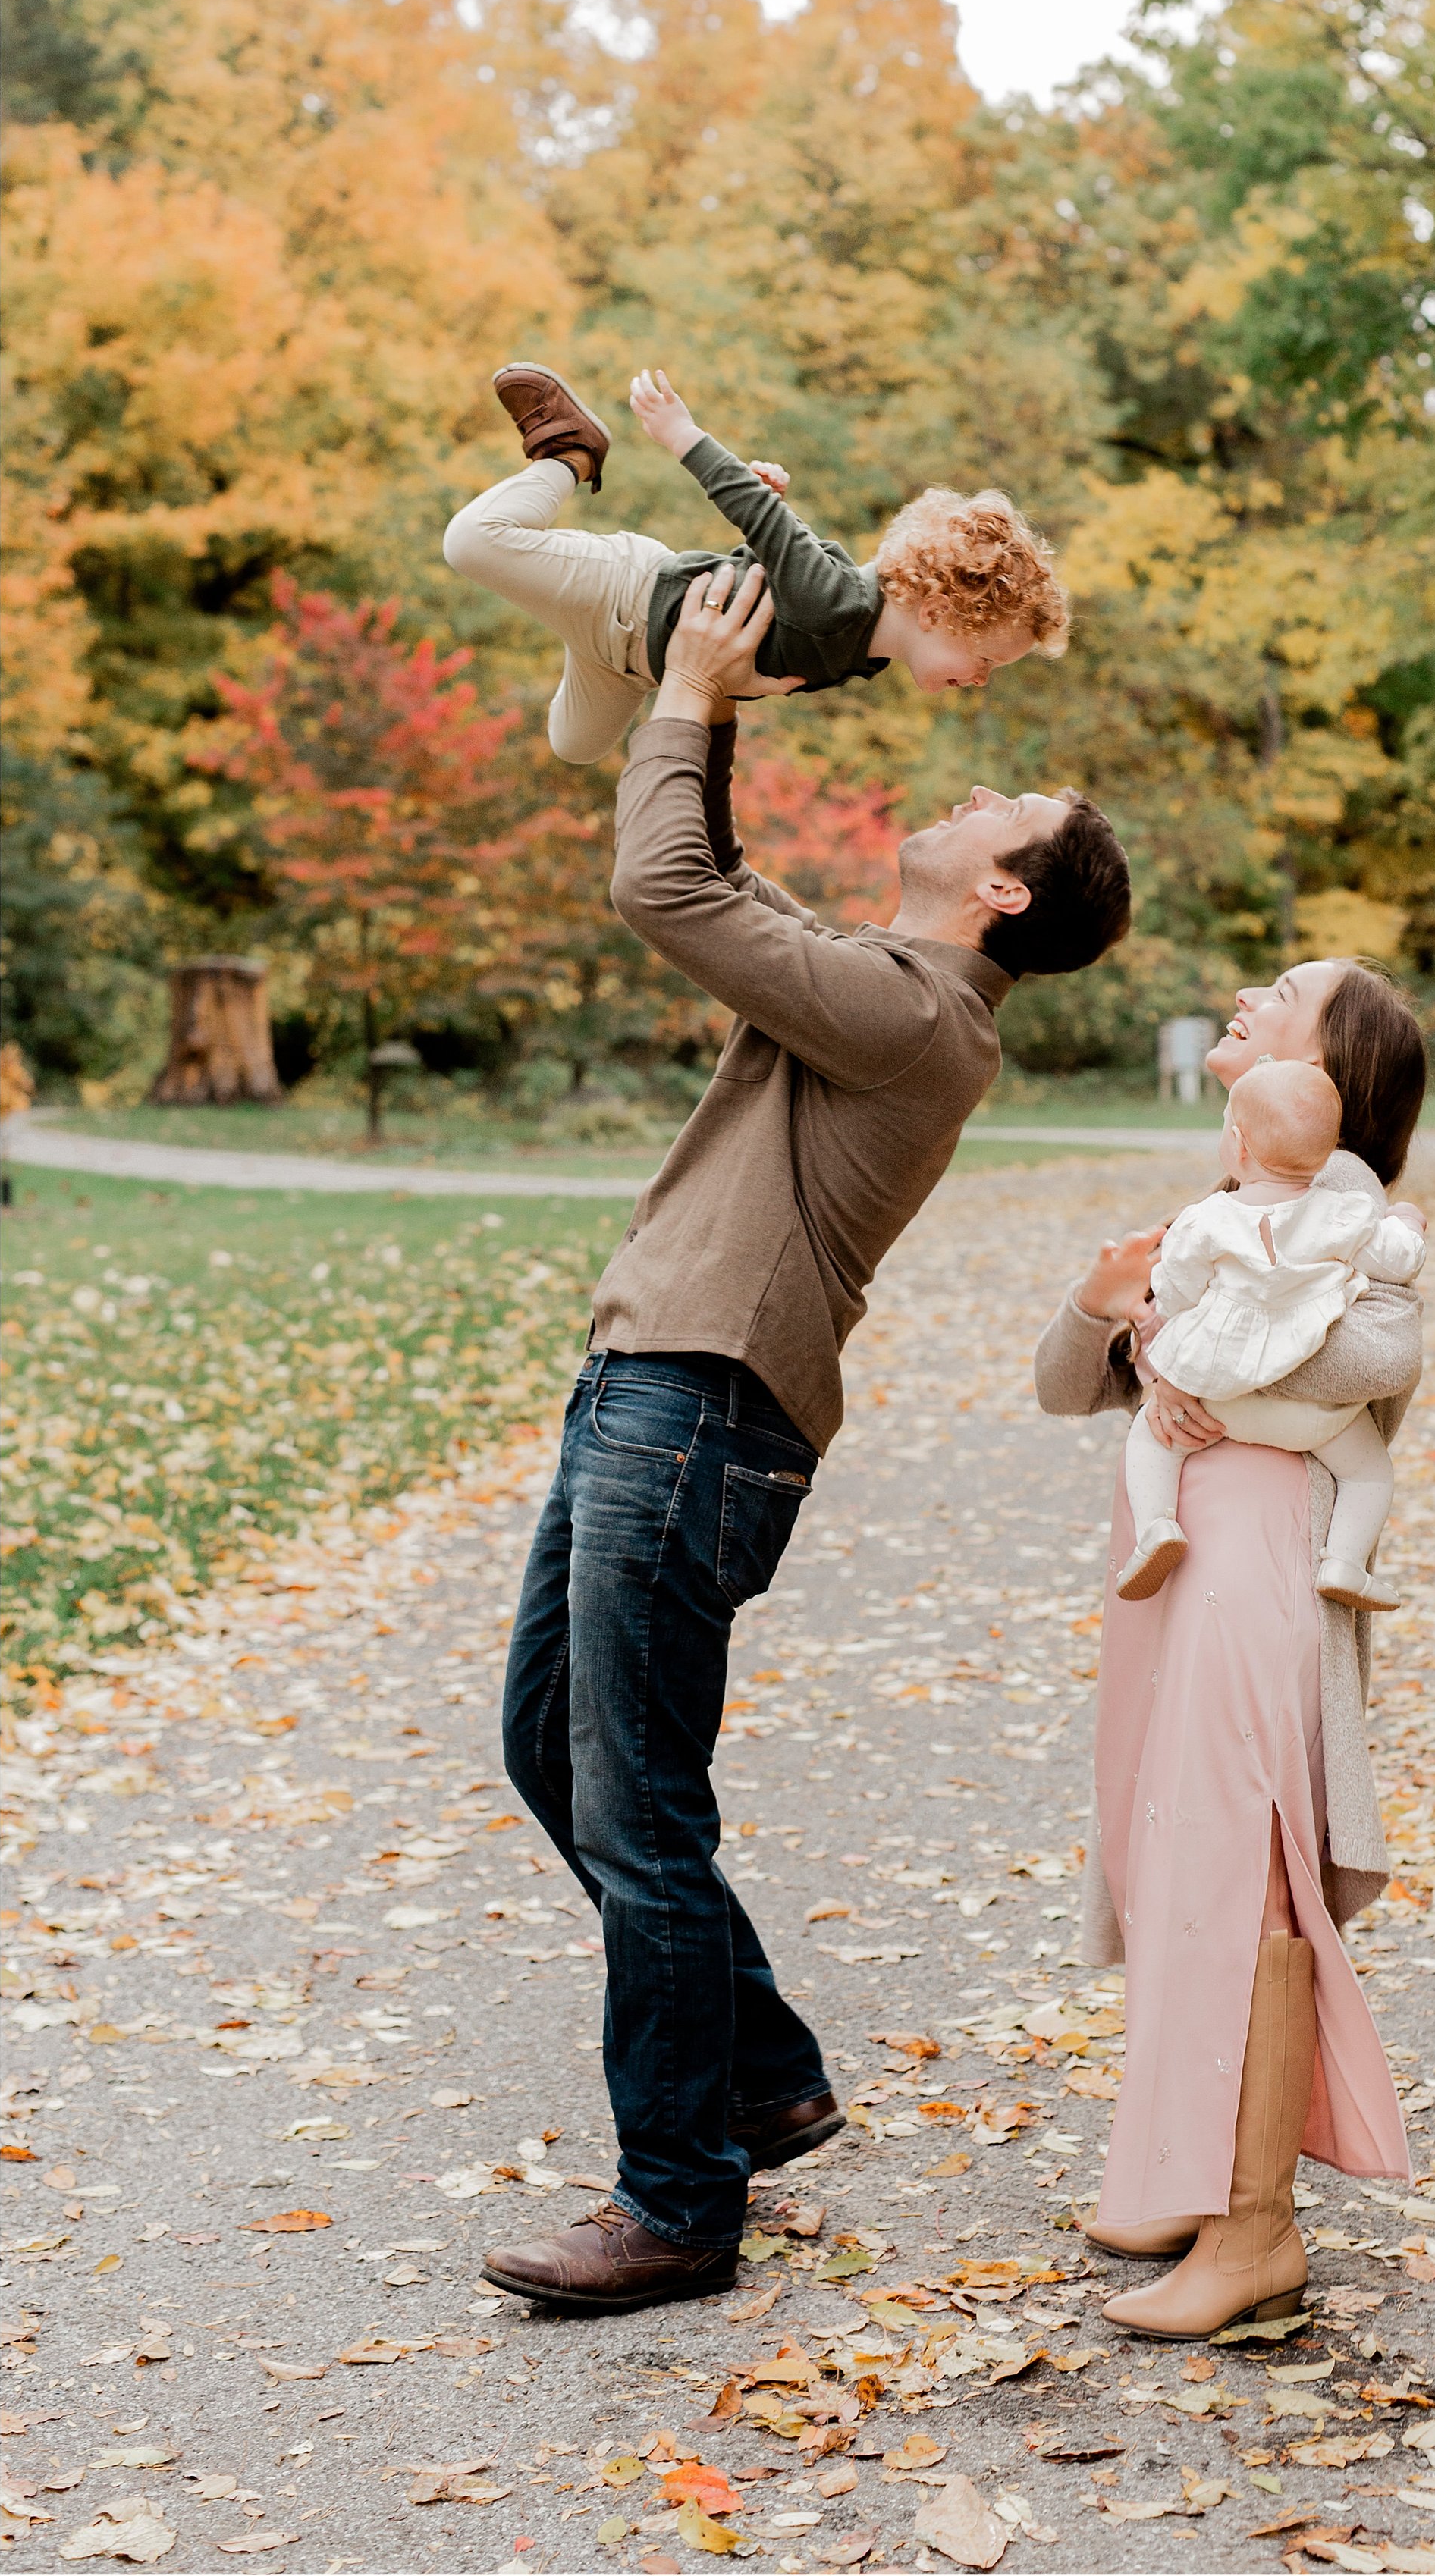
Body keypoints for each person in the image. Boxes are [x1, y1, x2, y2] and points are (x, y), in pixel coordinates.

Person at [480, 560, 1131, 2314]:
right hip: (652, 1390)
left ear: (1002, 888)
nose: (970, 785)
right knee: (554, 1748)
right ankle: (760, 2070)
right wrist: (703, 709)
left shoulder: (920, 1017)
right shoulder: (874, 982)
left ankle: (682, 2194)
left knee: (637, 1809)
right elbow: (726, 885)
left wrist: (689, 691)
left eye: (1004, 806)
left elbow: (663, 884)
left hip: (696, 1412)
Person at [1034, 959, 1427, 2337]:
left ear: (1335, 1076)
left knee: (1250, 1861)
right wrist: (1111, 1312)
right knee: (1170, 1853)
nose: (1251, 993)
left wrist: (1190, 1342)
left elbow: (1365, 1360)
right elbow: (1061, 1381)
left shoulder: (1352, 1241)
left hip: (1261, 1564)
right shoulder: (1211, 1220)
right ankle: (1184, 2168)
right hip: (1174, 1560)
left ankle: (1256, 2223)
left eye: (1288, 991)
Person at [442, 362, 1070, 764]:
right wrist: (684, 436)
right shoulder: (839, 604)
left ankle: (563, 617)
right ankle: (572, 452)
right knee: (471, 542)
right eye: (987, 660)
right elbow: (762, 526)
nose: (984, 679)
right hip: (625, 592)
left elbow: (765, 568)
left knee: (575, 746)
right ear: (934, 611)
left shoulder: (868, 649)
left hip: (632, 662)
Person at [1119, 1056, 1427, 1605]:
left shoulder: (1207, 1219)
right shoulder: (1343, 1214)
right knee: (1369, 1473)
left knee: (1151, 1435)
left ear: (1238, 1147)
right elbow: (1399, 1260)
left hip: (1218, 1396)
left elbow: (1176, 1291)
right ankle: (1344, 1563)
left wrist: (1175, 1341)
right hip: (1312, 1416)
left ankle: (1156, 1529)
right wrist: (1406, 1221)